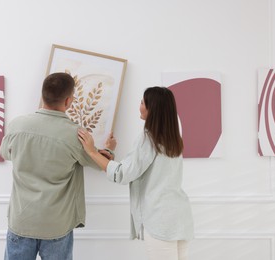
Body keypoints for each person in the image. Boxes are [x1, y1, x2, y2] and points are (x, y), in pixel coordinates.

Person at [0, 72, 114, 260]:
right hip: (56, 225)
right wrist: (109, 150)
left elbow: (5, 153)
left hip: (21, 220)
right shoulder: (75, 135)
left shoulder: (17, 126)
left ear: (42, 95)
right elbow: (100, 164)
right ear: (68, 101)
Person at [78, 86, 194, 260]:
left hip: (160, 220)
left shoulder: (149, 138)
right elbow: (136, 168)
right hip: (180, 218)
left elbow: (122, 174)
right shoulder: (173, 138)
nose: (139, 106)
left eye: (142, 102)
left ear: (152, 108)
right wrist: (109, 153)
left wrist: (92, 152)